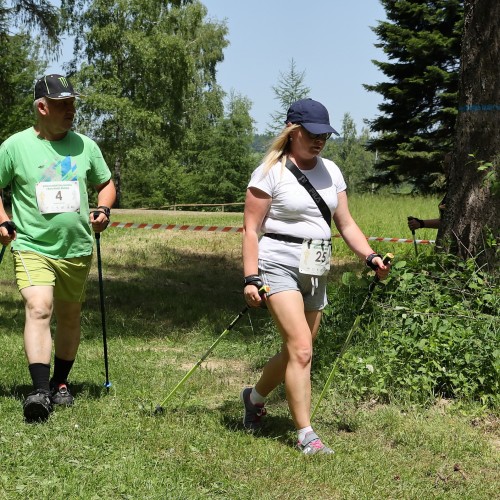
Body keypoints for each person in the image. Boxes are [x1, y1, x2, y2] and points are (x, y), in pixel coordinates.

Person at [241, 98, 390, 455]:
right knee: (303, 349)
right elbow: (250, 229)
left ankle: (254, 397)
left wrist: (369, 256)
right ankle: (306, 434)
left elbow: (346, 223)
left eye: (324, 134)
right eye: (312, 133)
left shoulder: (332, 171)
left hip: (316, 265)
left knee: (297, 349)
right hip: (278, 263)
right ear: (293, 131)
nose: (319, 140)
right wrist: (250, 277)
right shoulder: (270, 172)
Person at [0, 74, 116, 423]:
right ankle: (38, 390)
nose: (72, 111)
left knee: (69, 316)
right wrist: (2, 220)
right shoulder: (14, 147)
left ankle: (60, 382)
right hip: (31, 245)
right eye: (64, 105)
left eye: (72, 104)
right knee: (39, 307)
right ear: (42, 107)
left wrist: (104, 209)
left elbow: (106, 183)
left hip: (76, 247)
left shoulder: (85, 146)